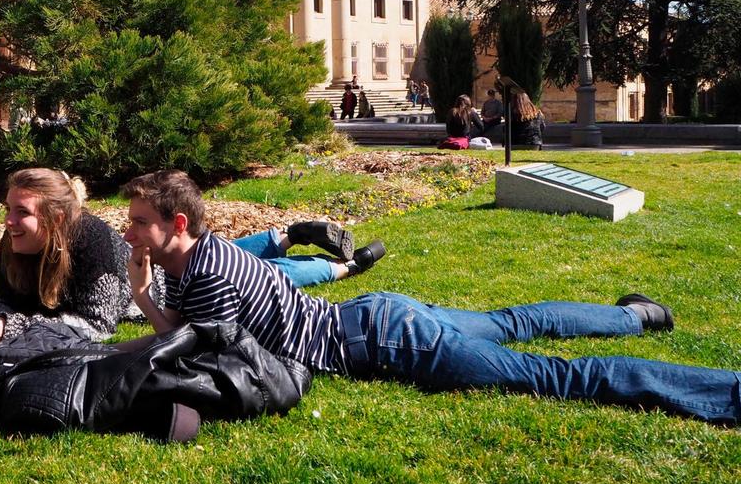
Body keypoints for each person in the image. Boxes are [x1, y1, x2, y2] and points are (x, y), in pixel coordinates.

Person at [122, 170, 741, 427]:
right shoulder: (212, 253)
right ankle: (633, 315)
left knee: (556, 378)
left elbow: (191, 353)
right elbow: (194, 328)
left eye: (140, 222)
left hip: (387, 337)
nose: (129, 231)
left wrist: (144, 299)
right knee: (513, 322)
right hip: (378, 315)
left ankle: (725, 392)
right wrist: (155, 294)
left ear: (178, 225)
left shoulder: (205, 273)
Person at [0, 168, 382, 349]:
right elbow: (2, 294)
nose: (9, 221)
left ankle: (345, 265)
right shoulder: (12, 242)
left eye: (22, 213)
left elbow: (97, 325)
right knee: (233, 255)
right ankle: (288, 234)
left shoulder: (95, 244)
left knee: (266, 274)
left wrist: (14, 327)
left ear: (54, 218)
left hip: (162, 279)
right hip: (180, 258)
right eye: (8, 210)